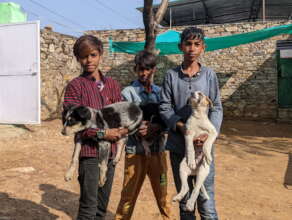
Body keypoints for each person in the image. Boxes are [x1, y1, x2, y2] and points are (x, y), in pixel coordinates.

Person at [159, 27, 223, 220]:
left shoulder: (209, 75)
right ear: (181, 46)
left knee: (206, 200)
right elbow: (164, 107)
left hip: (204, 149)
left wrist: (207, 136)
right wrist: (182, 127)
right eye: (188, 44)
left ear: (203, 47)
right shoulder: (171, 76)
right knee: (185, 199)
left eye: (196, 44)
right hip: (180, 146)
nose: (192, 49)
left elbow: (217, 107)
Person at [63, 35, 128, 220]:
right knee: (88, 209)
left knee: (101, 207)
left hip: (109, 154)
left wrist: (123, 129)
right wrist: (102, 133)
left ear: (100, 55)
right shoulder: (75, 87)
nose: (89, 60)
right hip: (89, 153)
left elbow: (122, 114)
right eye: (83, 56)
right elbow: (71, 123)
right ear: (78, 58)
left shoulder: (113, 86)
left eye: (93, 55)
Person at [115, 50, 171, 220]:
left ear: (154, 69)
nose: (144, 73)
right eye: (140, 69)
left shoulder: (162, 93)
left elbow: (168, 120)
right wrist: (137, 127)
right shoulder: (128, 93)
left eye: (147, 69)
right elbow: (122, 122)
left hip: (158, 151)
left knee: (163, 195)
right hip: (134, 151)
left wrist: (157, 128)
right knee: (128, 195)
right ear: (135, 69)